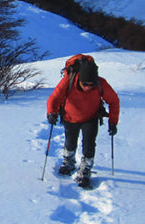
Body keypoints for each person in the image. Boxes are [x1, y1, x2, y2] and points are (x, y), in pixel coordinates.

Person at [46, 54, 120, 186]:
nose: (88, 87)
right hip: (70, 117)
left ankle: (86, 168)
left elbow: (114, 101)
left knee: (89, 144)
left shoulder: (100, 83)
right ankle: (69, 162)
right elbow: (54, 98)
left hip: (90, 118)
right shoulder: (68, 81)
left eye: (91, 85)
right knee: (70, 141)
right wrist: (51, 113)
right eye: (85, 84)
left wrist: (113, 122)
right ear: (79, 79)